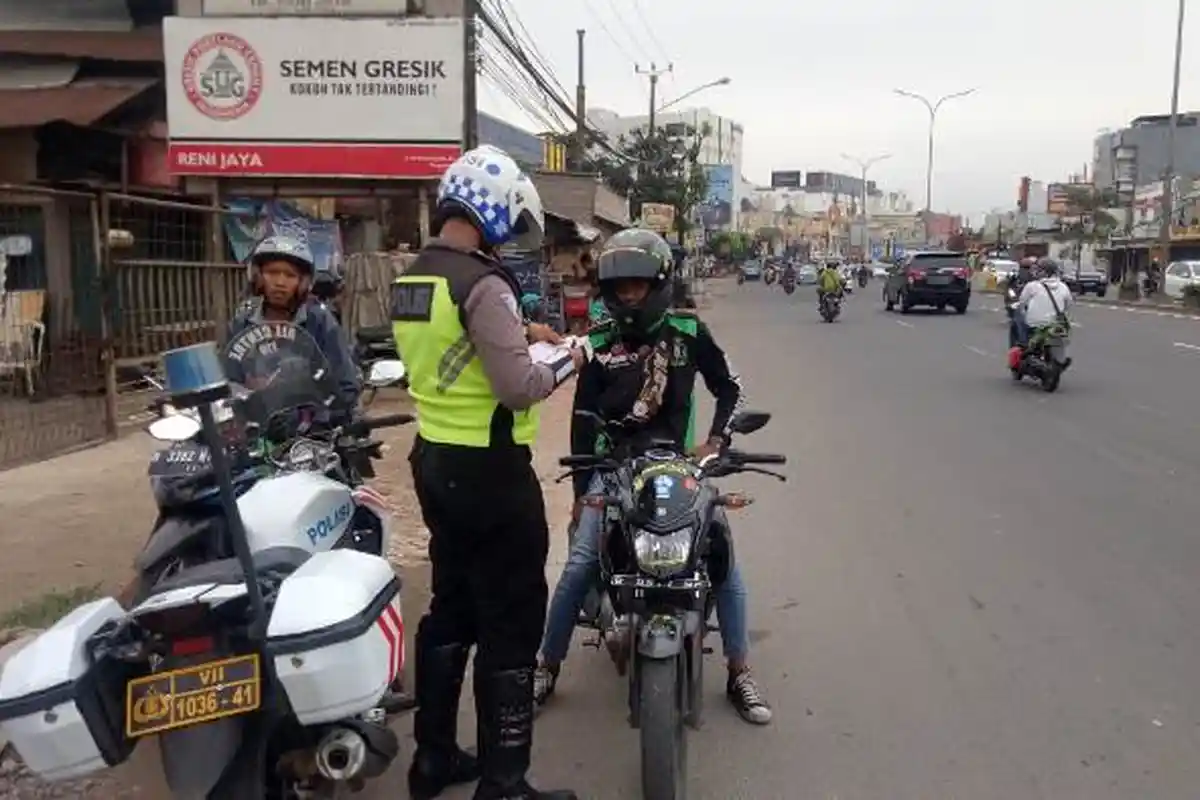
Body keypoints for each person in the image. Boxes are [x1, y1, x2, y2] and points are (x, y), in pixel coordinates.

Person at [392, 144, 581, 800]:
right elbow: (519, 386)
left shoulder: (417, 276)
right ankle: (504, 784)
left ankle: (433, 761)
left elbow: (458, 343)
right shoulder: (483, 282)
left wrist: (524, 324)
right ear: (495, 208)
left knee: (452, 610)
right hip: (493, 475)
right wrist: (571, 358)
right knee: (511, 623)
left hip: (436, 462)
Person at [532, 228, 773, 726]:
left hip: (681, 467)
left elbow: (730, 389)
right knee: (579, 564)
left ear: (659, 283)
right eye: (620, 288)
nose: (629, 296)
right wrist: (582, 492)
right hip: (613, 468)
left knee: (722, 560)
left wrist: (716, 443)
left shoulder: (689, 333)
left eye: (638, 286)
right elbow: (582, 418)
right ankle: (546, 664)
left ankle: (739, 670)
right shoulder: (599, 343)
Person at [227, 235, 359, 412]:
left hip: (309, 423)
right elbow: (230, 377)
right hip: (257, 422)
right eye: (272, 273)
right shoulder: (243, 320)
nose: (280, 282)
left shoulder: (319, 320)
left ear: (304, 282)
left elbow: (345, 384)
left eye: (290, 275)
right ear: (258, 276)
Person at [1010, 257, 1073, 355]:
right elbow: (1068, 305)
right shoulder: (1063, 287)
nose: (1036, 272)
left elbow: (1022, 303)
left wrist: (1022, 310)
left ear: (1044, 272)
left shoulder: (1032, 286)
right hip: (1056, 325)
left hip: (1035, 325)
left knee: (1018, 318)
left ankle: (1022, 346)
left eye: (1039, 270)